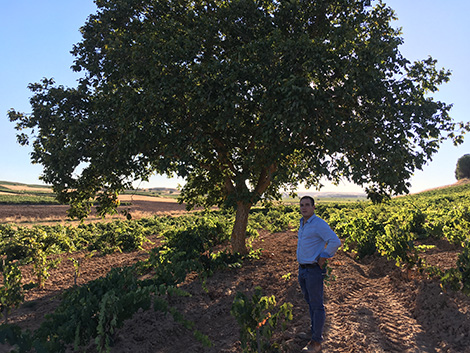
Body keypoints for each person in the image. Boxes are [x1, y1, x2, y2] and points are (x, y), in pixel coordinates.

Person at [297, 195, 341, 352]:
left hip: (313, 270)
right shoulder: (303, 223)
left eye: (307, 205)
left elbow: (335, 241)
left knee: (317, 306)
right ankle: (313, 332)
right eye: (302, 205)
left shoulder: (319, 224)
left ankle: (316, 343)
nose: (304, 207)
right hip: (302, 269)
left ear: (313, 207)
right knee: (310, 303)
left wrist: (324, 256)